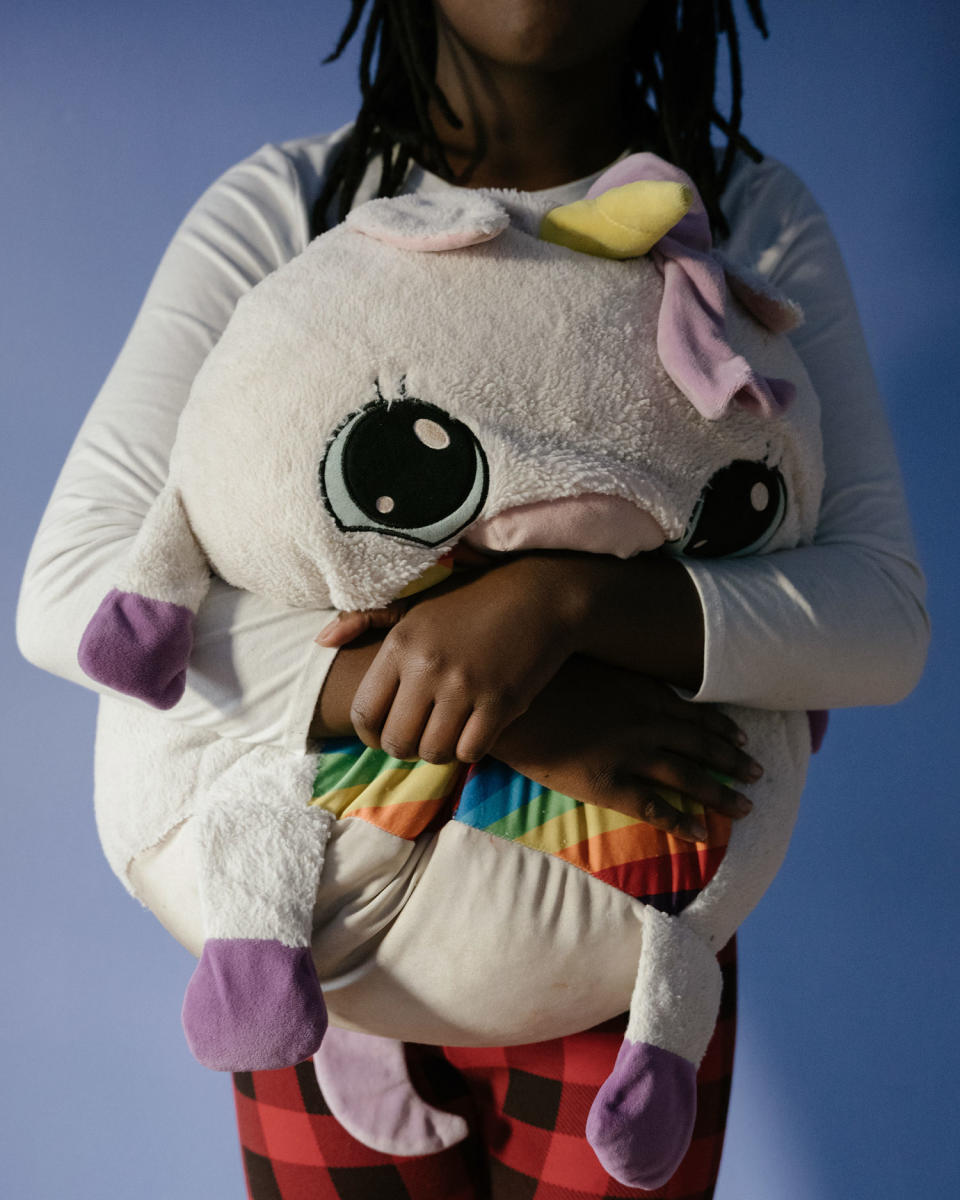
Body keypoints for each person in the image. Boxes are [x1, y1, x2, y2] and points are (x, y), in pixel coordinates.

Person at [16, 1, 928, 1197]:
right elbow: (79, 589)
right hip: (317, 942)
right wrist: (504, 705)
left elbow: (881, 619)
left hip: (629, 951)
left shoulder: (745, 215)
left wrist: (560, 610)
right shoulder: (295, 206)